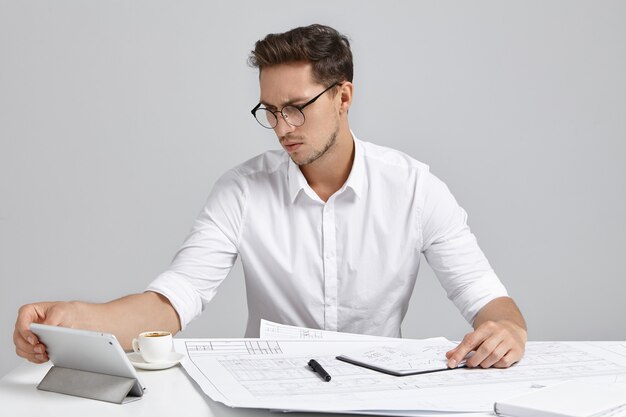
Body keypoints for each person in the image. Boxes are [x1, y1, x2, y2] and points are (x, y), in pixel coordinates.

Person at [14, 24, 527, 369]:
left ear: (344, 96)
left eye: (297, 107)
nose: (282, 127)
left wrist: (506, 330)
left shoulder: (415, 188)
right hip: (265, 395)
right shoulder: (242, 190)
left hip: (375, 394)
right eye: (270, 110)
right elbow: (171, 302)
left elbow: (490, 302)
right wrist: (77, 319)